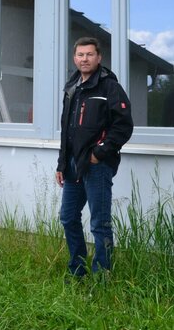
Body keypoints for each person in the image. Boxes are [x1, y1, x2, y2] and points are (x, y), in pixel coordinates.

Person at [56, 37, 134, 278]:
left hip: (96, 166)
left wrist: (99, 153)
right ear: (74, 58)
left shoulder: (109, 87)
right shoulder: (72, 87)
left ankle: (102, 276)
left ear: (99, 58)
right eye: (80, 55)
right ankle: (78, 271)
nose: (84, 59)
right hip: (72, 164)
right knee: (68, 218)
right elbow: (67, 130)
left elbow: (123, 126)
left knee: (99, 224)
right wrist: (61, 163)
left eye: (89, 54)